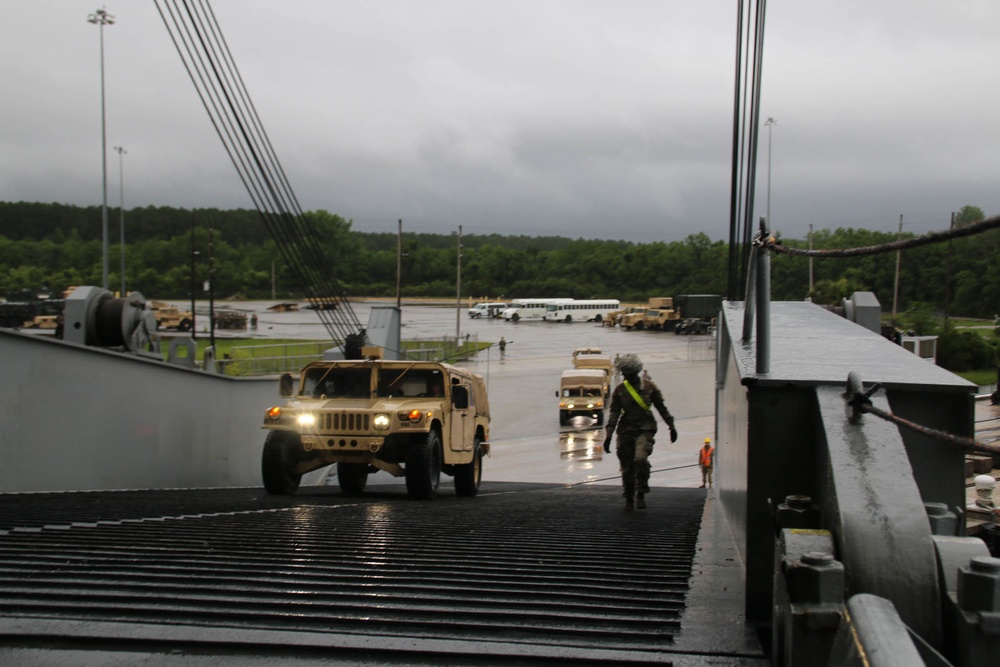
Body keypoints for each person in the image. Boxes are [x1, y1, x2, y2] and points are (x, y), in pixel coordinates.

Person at [604, 353, 677, 511]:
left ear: (637, 372)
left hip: (645, 429)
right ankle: (629, 498)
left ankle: (641, 493)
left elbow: (661, 408)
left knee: (640, 459)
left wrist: (671, 426)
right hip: (626, 431)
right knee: (627, 466)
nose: (626, 377)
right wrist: (609, 434)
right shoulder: (620, 390)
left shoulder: (650, 387)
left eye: (629, 374)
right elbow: (614, 413)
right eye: (625, 374)